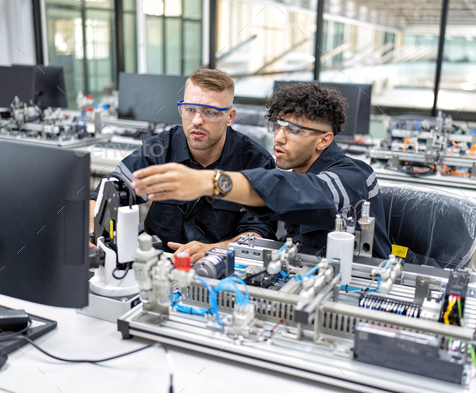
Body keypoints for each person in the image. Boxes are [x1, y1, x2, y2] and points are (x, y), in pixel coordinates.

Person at [128, 82, 391, 259]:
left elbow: (306, 193)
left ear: (324, 140)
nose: (279, 137)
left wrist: (211, 182)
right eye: (278, 125)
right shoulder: (297, 171)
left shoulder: (353, 176)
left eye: (294, 129)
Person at [89, 69, 277, 262]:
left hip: (219, 267)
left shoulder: (256, 162)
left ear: (230, 117)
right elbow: (110, 190)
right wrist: (90, 233)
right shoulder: (161, 148)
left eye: (210, 112)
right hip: (157, 262)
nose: (196, 121)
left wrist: (214, 250)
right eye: (190, 110)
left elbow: (258, 233)